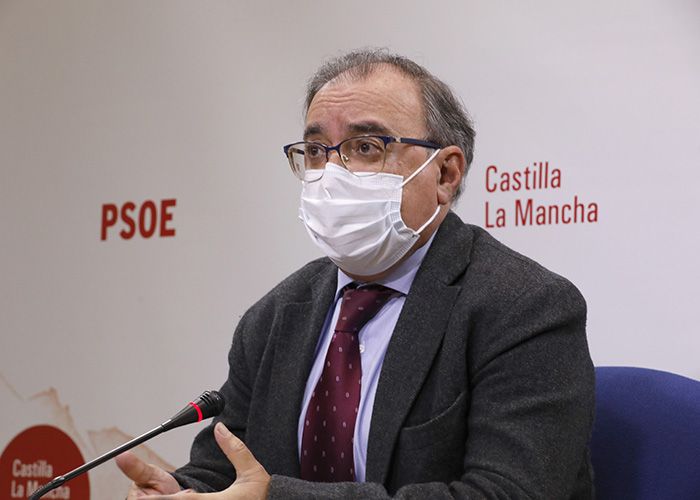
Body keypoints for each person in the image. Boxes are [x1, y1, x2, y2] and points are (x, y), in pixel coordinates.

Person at [116, 49, 595, 499]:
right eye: (315, 150)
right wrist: (182, 491)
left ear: (445, 175)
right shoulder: (274, 317)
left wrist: (278, 497)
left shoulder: (525, 307)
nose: (332, 173)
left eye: (366, 147)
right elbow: (228, 470)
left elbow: (505, 493)